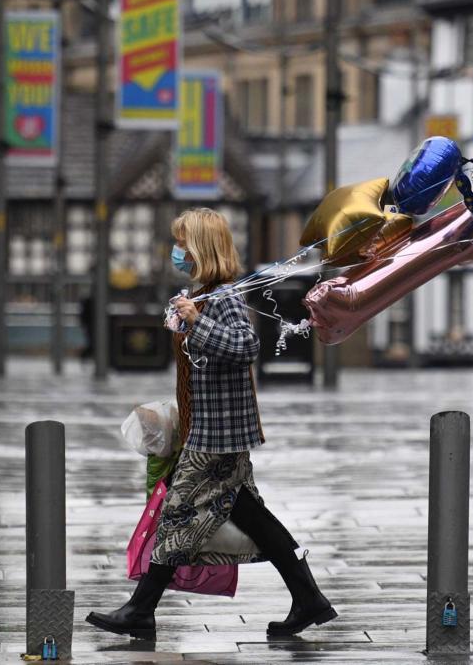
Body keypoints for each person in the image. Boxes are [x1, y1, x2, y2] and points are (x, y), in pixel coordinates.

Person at [86, 208, 336, 640]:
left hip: (217, 436)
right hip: (210, 428)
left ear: (201, 248)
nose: (177, 251)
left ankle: (141, 610)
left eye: (183, 243)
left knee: (177, 510)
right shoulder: (201, 294)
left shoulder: (222, 298)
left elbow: (245, 346)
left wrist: (197, 321)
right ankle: (309, 598)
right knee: (254, 518)